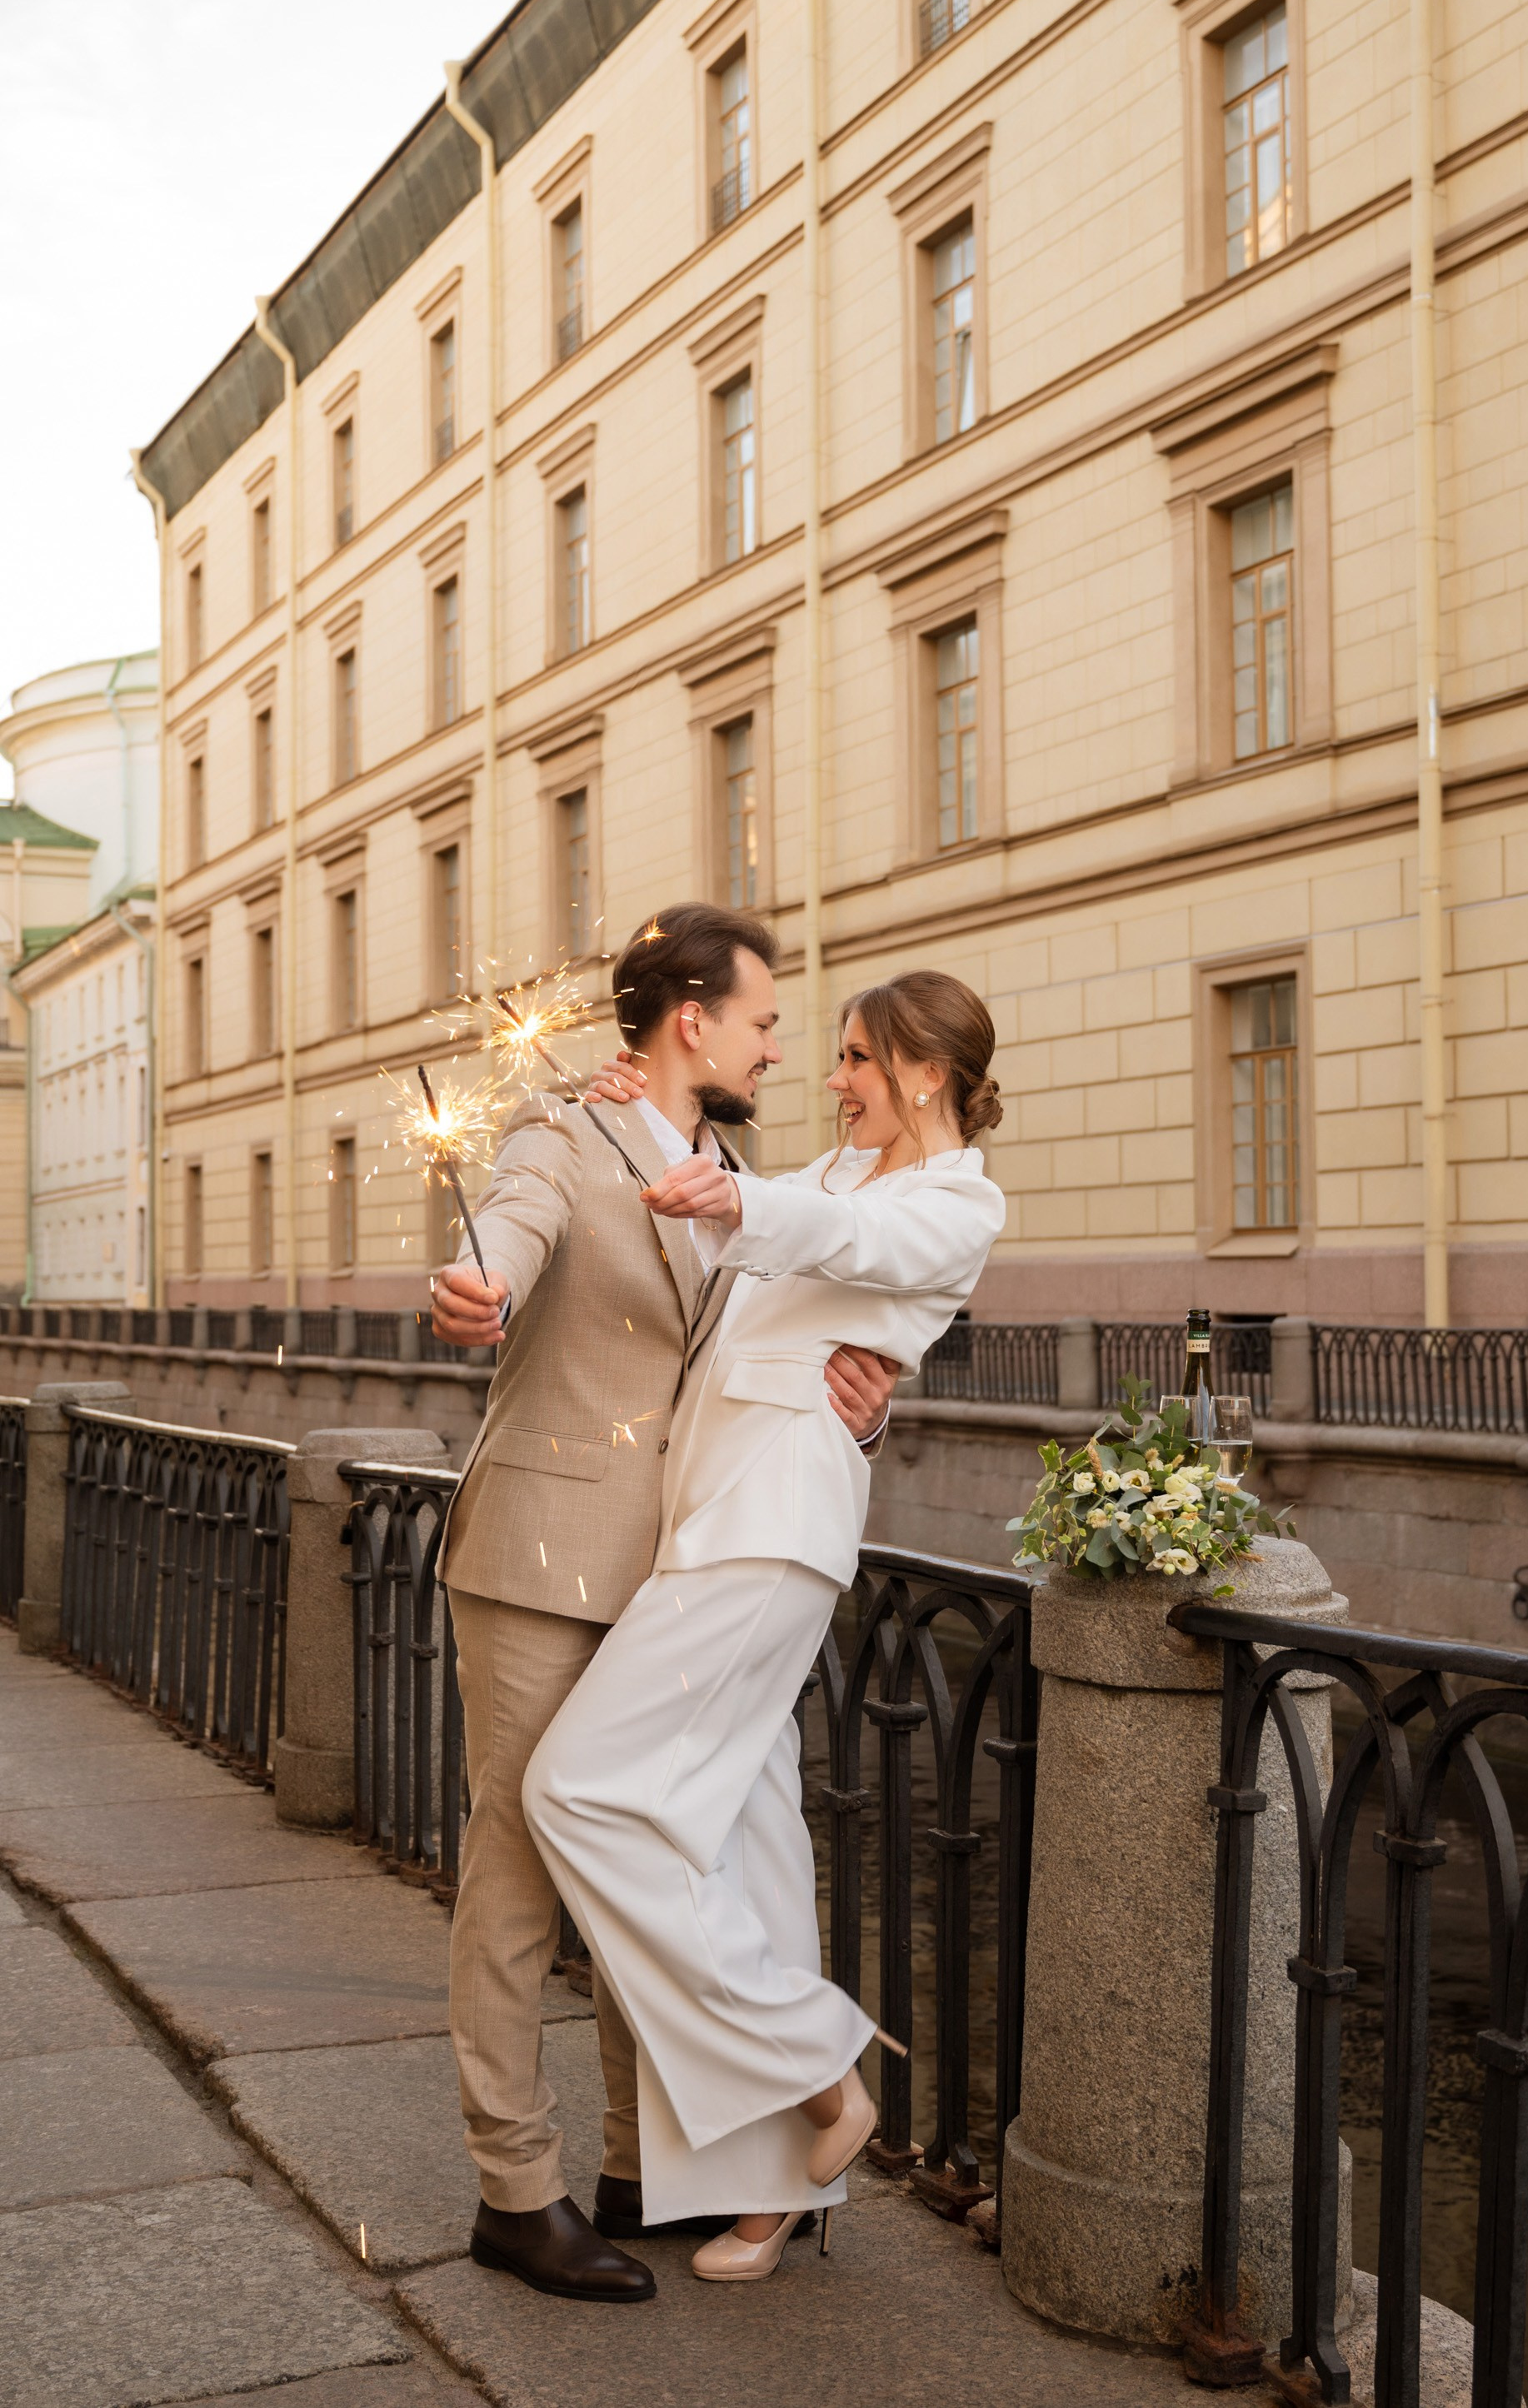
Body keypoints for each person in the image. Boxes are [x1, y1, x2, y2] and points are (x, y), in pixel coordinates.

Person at [430, 905, 898, 2306]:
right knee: (519, 1879)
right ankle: (516, 2193)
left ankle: (644, 2167)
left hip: (678, 1572)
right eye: (762, 1021)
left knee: (652, 1853)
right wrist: (477, 1288)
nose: (777, 1049)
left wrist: (859, 1412)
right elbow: (512, 1230)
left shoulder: (736, 1177)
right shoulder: (562, 1131)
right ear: (692, 1019)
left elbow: (765, 1362)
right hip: (542, 1557)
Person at [521, 970, 1005, 2282]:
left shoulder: (954, 1200)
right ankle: (776, 2178)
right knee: (740, 1837)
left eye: (856, 1058)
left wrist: (739, 1201)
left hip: (769, 1528)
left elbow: (840, 1245)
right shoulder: (838, 1172)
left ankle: (812, 2067)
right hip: (711, 1514)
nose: (832, 1079)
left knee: (577, 1790)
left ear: (923, 1070)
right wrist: (630, 1116)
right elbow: (733, 1265)